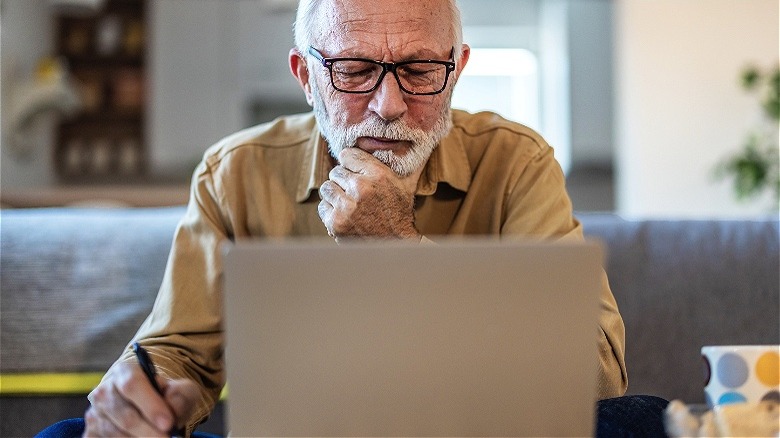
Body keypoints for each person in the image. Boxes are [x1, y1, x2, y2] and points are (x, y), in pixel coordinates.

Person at [39, 0, 670, 436]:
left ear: (458, 70)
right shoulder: (234, 172)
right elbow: (178, 353)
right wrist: (143, 401)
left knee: (650, 420)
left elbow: (593, 378)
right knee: (72, 435)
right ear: (306, 77)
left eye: (420, 69)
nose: (388, 106)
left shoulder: (516, 161)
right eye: (354, 70)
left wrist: (397, 246)